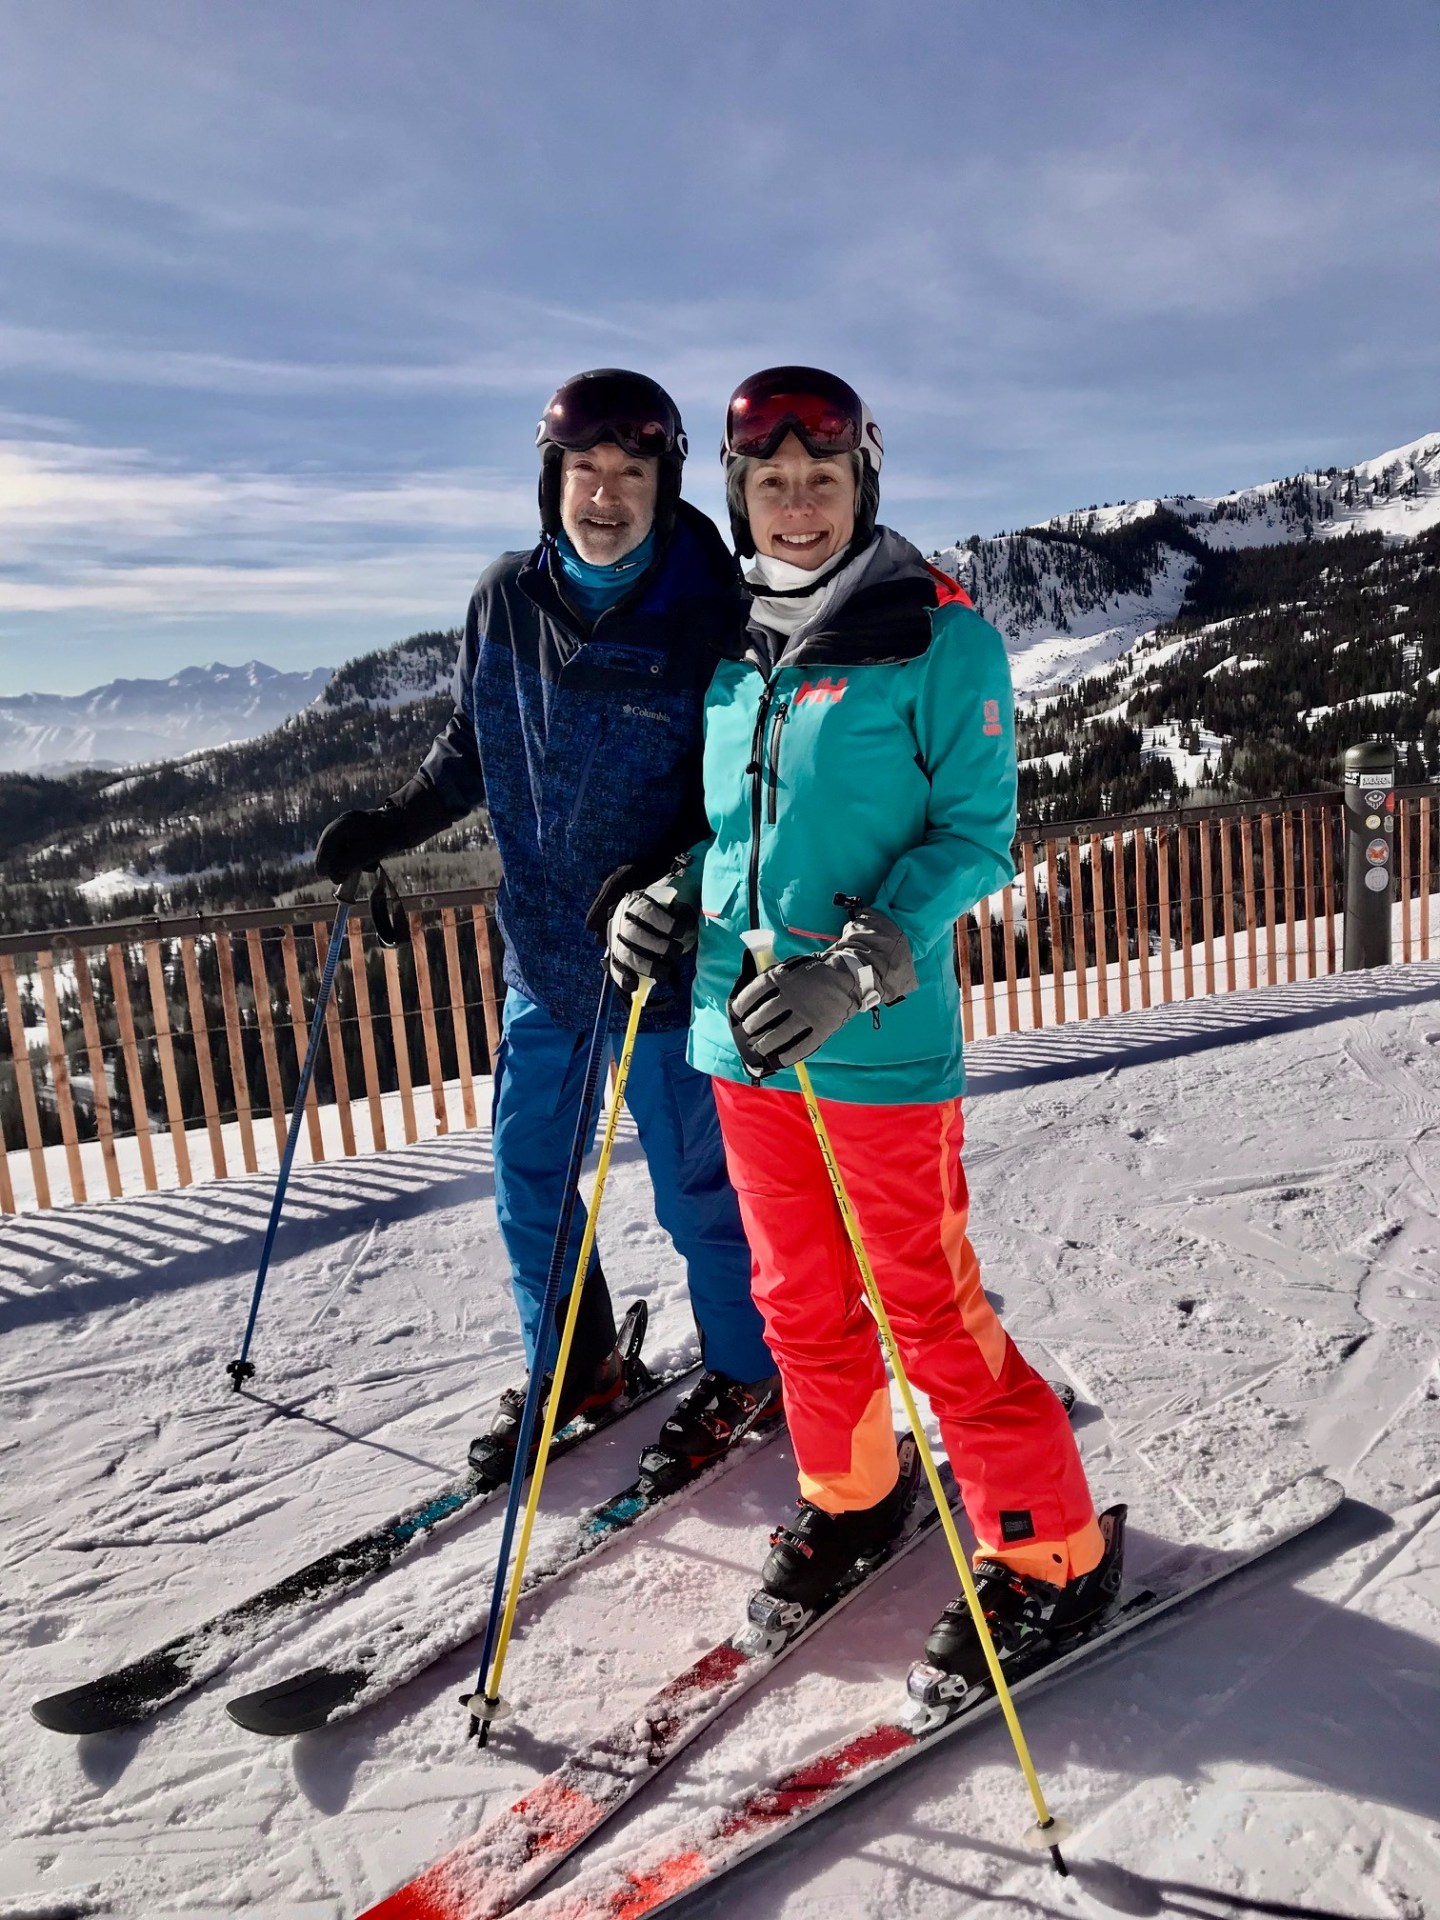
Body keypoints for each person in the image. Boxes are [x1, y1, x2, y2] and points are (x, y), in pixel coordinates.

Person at [606, 366, 1120, 1685]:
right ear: (737, 494)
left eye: (820, 479)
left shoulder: (938, 633)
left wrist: (866, 958)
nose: (796, 503)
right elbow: (736, 838)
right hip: (741, 1036)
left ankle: (1051, 1550)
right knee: (798, 1302)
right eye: (770, 483)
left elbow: (975, 838)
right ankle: (853, 1492)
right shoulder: (736, 642)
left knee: (926, 1309)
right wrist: (659, 903)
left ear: (863, 481)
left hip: (878, 1044)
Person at [316, 368, 779, 1488]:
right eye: (585, 472)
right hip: (544, 962)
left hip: (666, 966)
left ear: (667, 485)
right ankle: (577, 1366)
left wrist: (668, 881)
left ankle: (746, 1366)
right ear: (551, 481)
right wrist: (392, 823)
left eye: (631, 472)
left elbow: (749, 797)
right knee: (527, 1176)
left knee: (696, 1190)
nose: (605, 495)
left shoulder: (712, 612)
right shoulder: (504, 599)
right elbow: (471, 750)